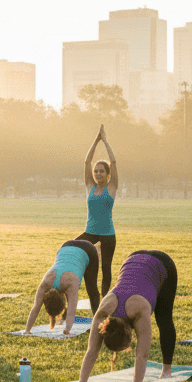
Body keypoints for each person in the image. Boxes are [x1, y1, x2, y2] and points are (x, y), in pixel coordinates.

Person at [77, 250, 178, 382]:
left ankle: (166, 370)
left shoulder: (139, 311)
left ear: (130, 334)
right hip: (132, 258)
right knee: (162, 318)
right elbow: (92, 350)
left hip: (163, 263)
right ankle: (166, 370)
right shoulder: (102, 314)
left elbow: (142, 354)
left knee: (164, 318)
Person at [22, 239, 101, 336]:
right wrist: (27, 330)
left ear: (63, 303)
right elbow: (36, 307)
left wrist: (67, 330)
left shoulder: (71, 284)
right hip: (66, 246)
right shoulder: (45, 284)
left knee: (92, 290)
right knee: (84, 292)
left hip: (89, 250)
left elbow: (72, 310)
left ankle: (99, 324)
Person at [77, 124, 118, 298]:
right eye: (96, 171)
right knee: (72, 248)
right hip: (90, 233)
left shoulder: (112, 187)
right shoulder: (90, 186)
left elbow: (113, 162)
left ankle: (104, 299)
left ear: (108, 174)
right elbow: (87, 162)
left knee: (106, 268)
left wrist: (105, 142)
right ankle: (76, 286)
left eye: (101, 171)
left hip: (108, 234)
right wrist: (96, 141)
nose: (98, 173)